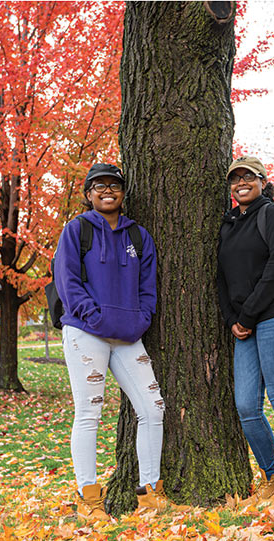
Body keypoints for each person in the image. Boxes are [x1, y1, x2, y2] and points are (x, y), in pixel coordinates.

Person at [54, 162, 170, 521]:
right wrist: (95, 317)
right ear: (88, 194)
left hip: (128, 335)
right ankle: (89, 501)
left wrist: (141, 319)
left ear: (123, 192)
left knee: (153, 409)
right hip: (86, 332)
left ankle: (150, 495)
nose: (108, 191)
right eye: (99, 185)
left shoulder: (139, 236)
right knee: (89, 414)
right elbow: (67, 281)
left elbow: (148, 288)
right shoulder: (76, 230)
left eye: (114, 185)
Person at [216, 155, 274, 506]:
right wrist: (232, 320)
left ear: (262, 181)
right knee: (246, 406)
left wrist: (248, 316)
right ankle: (271, 476)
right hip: (244, 325)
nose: (241, 183)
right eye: (235, 179)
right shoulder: (229, 224)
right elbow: (221, 277)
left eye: (249, 177)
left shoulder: (272, 214)